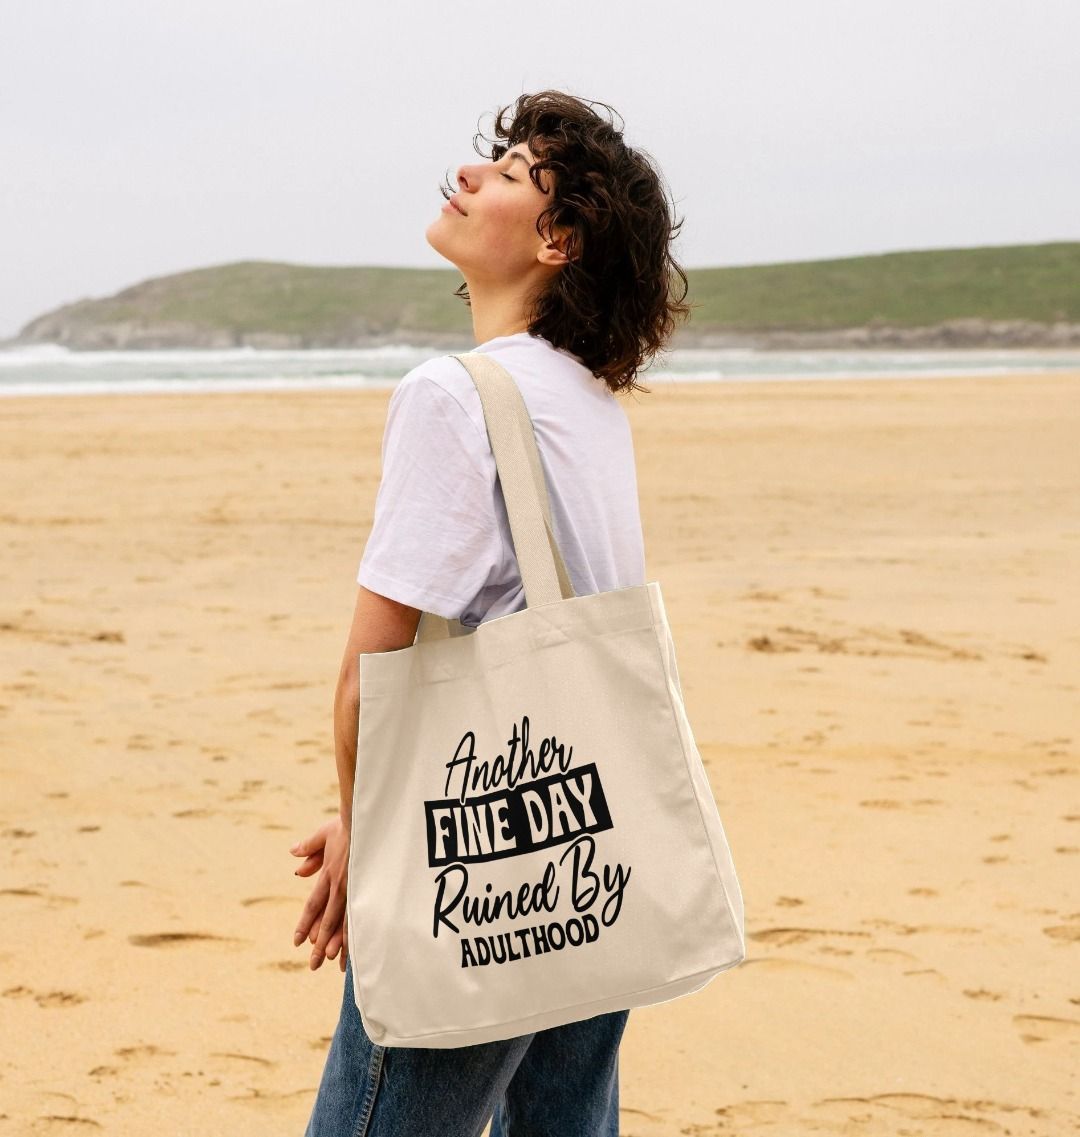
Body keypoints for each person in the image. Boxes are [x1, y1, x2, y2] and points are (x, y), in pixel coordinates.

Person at [289, 89, 689, 1137]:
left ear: (559, 241)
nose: (469, 173)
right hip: (595, 844)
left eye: (510, 173)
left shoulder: (452, 393)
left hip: (480, 865)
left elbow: (369, 675)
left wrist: (372, 839)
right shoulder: (588, 401)